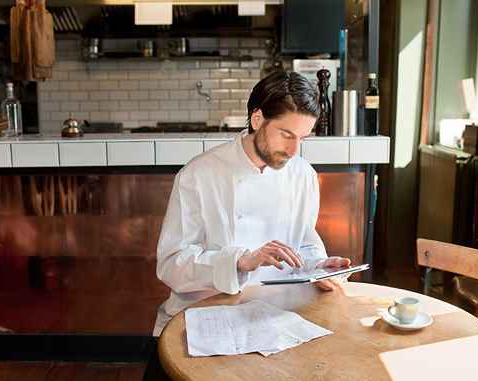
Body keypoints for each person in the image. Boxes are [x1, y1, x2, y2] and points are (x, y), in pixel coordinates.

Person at [142, 71, 351, 380]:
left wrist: (318, 266)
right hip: (204, 318)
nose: (294, 151)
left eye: (302, 139)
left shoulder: (302, 175)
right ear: (257, 119)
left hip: (277, 321)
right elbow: (171, 265)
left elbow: (303, 239)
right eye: (286, 135)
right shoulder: (200, 174)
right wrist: (239, 261)